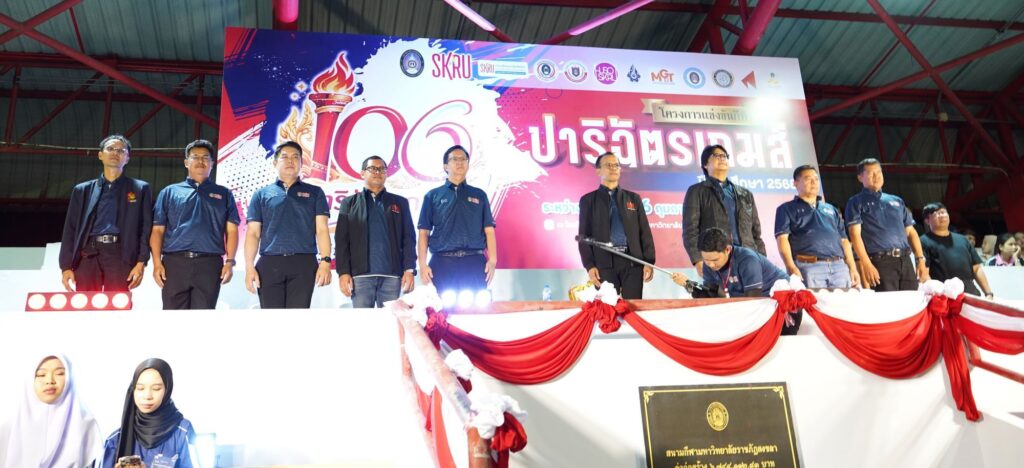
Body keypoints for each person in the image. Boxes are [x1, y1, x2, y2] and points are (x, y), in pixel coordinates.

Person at [150, 140, 240, 309]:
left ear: (212, 163)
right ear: (186, 162)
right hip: (175, 263)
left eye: (205, 157)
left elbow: (232, 231)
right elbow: (157, 230)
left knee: (204, 316)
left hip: (210, 264)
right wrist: (156, 263)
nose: (200, 161)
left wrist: (230, 262)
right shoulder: (169, 192)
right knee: (172, 315)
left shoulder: (224, 193)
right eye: (195, 157)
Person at [244, 141, 333, 308]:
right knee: (271, 318)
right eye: (284, 157)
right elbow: (253, 233)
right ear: (275, 163)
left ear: (302, 163)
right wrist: (249, 267)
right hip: (269, 262)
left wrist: (325, 261)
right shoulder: (261, 194)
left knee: (297, 318)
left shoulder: (315, 192)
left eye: (295, 157)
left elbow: (322, 230)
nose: (290, 161)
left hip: (303, 262)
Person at [59, 135, 153, 292]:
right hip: (88, 253)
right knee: (86, 302)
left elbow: (145, 228)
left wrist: (141, 262)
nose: (115, 153)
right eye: (110, 149)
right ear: (100, 155)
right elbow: (70, 229)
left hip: (121, 253)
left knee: (118, 302)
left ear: (127, 158)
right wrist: (66, 266)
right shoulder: (82, 190)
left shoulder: (140, 188)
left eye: (121, 151)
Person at [673, 228, 797, 334]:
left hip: (784, 308)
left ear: (727, 250)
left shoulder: (747, 260)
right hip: (756, 307)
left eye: (715, 260)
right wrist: (687, 284)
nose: (711, 265)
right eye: (706, 260)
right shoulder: (709, 266)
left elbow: (753, 303)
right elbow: (711, 297)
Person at [335, 156, 417, 307]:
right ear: (362, 173)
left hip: (392, 277)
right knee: (362, 321)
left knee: (390, 320)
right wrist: (343, 272)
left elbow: (409, 238)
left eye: (382, 169)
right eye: (372, 168)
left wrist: (409, 269)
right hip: (360, 277)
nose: (377, 172)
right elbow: (341, 241)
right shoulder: (349, 203)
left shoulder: (400, 203)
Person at [417, 145, 497, 294]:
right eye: (455, 159)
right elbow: (424, 233)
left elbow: (489, 230)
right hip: (442, 263)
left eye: (463, 159)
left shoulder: (479, 195)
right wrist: (422, 265)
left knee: (476, 307)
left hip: (474, 262)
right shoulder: (432, 196)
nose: (460, 162)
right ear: (445, 166)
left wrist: (492, 261)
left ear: (468, 164)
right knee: (442, 307)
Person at [0, 355, 102, 468]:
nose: (50, 381)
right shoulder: (9, 429)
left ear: (70, 378)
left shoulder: (86, 425)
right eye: (41, 375)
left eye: (60, 373)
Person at [578, 151, 655, 299]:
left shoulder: (633, 198)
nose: (613, 168)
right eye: (608, 165)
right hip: (603, 264)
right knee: (608, 308)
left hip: (633, 262)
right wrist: (589, 265)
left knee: (632, 306)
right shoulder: (588, 200)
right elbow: (584, 236)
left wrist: (648, 261)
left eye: (616, 165)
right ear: (598, 170)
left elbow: (644, 232)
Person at [845, 158, 929, 291]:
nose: (876, 176)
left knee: (911, 300)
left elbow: (911, 232)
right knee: (887, 302)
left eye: (879, 172)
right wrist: (867, 264)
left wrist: (920, 259)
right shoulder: (855, 202)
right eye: (871, 173)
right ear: (860, 177)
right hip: (880, 262)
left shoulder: (897, 200)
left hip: (905, 259)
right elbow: (855, 236)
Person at [682, 144, 766, 278]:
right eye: (717, 155)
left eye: (725, 156)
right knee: (721, 291)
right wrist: (698, 259)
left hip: (748, 258)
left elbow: (756, 233)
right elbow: (690, 230)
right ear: (705, 164)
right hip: (716, 258)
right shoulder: (696, 191)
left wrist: (762, 259)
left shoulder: (745, 193)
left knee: (753, 292)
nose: (722, 158)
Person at [774, 165, 860, 289]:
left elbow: (844, 240)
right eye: (808, 178)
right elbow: (782, 240)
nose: (814, 182)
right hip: (808, 267)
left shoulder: (831, 209)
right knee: (814, 302)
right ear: (795, 183)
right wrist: (790, 266)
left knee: (843, 302)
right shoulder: (786, 209)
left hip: (839, 267)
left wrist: (852, 267)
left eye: (816, 178)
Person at [103, 358, 197, 468]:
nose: (147, 396)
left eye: (156, 389)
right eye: (140, 388)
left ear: (167, 390)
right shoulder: (115, 440)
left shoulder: (182, 432)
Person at [920, 203, 993, 299]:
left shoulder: (963, 240)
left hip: (970, 293)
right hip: (944, 295)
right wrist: (937, 296)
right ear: (927, 220)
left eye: (943, 212)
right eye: (936, 213)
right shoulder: (923, 241)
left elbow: (977, 269)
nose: (941, 215)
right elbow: (924, 274)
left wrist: (988, 293)